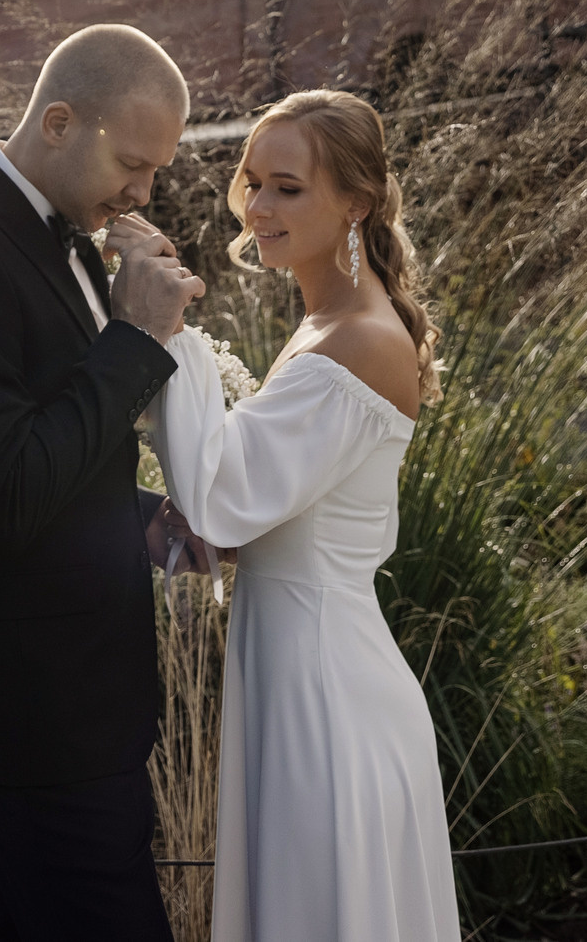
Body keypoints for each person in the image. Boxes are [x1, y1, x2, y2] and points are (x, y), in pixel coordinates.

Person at [0, 24, 212, 942]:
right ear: (59, 121)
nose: (145, 193)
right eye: (135, 165)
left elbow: (49, 448)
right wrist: (136, 339)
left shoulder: (47, 235)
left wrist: (145, 521)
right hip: (34, 713)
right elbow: (4, 497)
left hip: (78, 704)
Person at [146, 88, 461, 942]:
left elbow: (222, 498)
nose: (258, 205)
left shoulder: (354, 337)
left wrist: (162, 333)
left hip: (325, 689)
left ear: (355, 200)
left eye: (288, 186)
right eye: (252, 181)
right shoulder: (327, 321)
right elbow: (249, 510)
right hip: (294, 655)